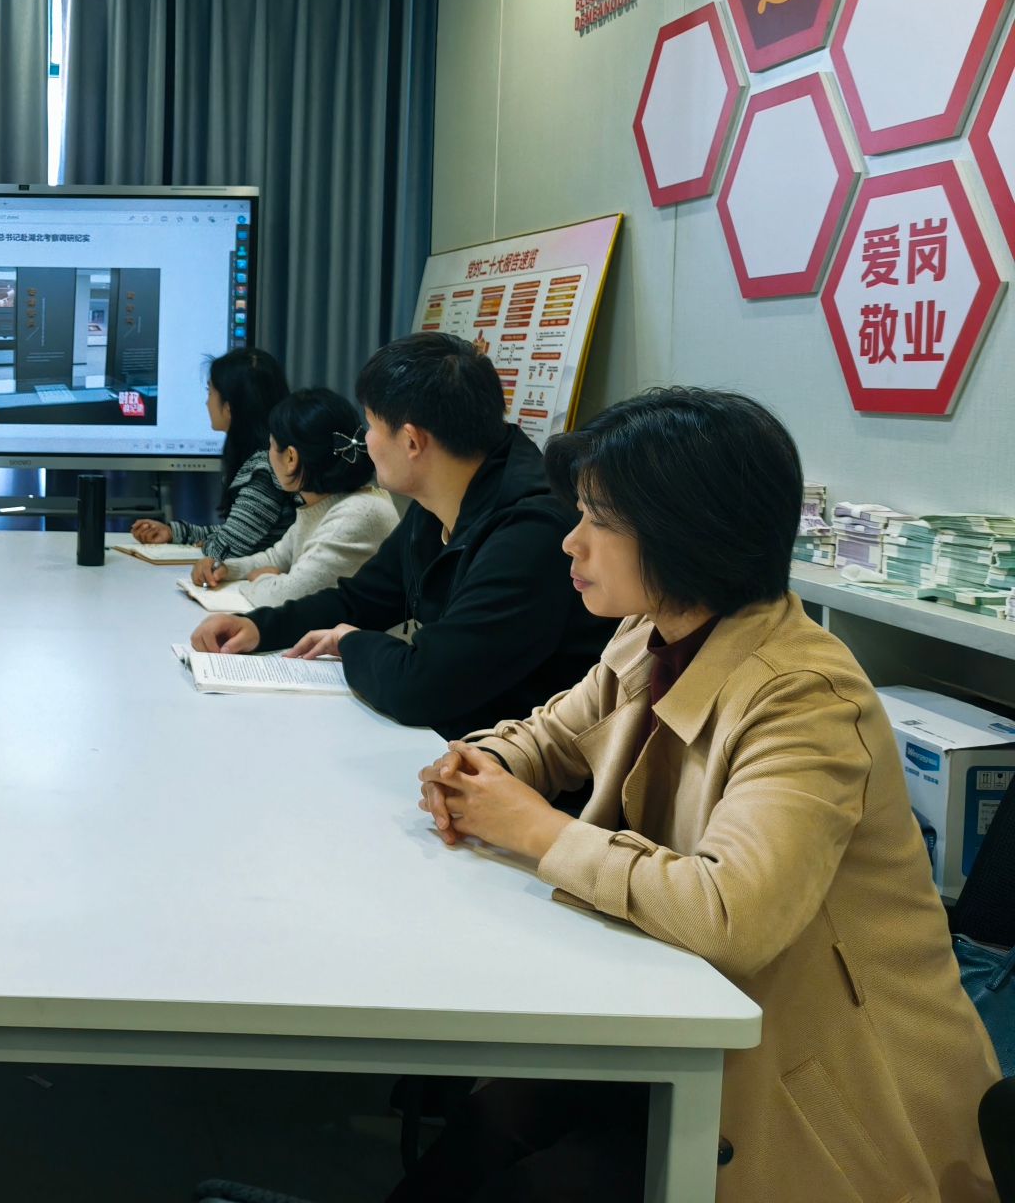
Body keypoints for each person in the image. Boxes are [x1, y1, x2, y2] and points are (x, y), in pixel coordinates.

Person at [401, 388, 996, 1203]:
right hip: (680, 1011)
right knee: (487, 1124)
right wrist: (478, 768)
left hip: (815, 1089)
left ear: (688, 533)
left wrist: (536, 829)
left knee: (538, 1185)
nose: (571, 540)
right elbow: (552, 736)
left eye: (600, 520)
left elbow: (731, 915)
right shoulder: (653, 630)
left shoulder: (805, 696)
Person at [190, 333, 607, 738]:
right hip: (458, 739)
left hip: (518, 761)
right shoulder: (441, 496)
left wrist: (350, 642)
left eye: (370, 425)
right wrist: (259, 628)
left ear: (411, 441)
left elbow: (424, 686)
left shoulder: (530, 532)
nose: (365, 442)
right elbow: (362, 599)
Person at [188, 387, 397, 609]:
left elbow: (286, 596)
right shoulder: (325, 503)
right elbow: (276, 558)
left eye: (271, 445)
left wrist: (260, 579)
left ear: (291, 458)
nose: (268, 455)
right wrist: (226, 568)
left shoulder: (357, 513)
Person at [130, 346, 292, 561]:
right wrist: (173, 532)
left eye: (210, 392)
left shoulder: (264, 469)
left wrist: (211, 544)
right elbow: (236, 533)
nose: (207, 402)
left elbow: (227, 548)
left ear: (230, 407)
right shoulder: (268, 457)